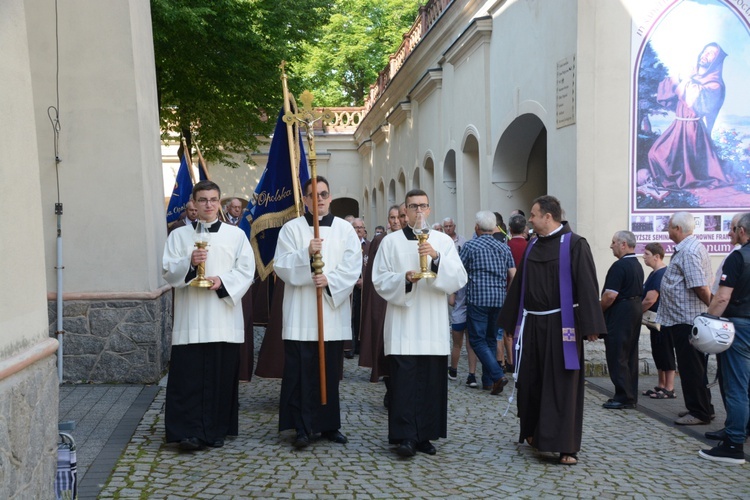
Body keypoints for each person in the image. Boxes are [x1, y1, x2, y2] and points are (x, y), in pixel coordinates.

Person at [498, 195, 605, 465]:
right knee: (531, 381)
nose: (529, 220)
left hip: (562, 324)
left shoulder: (575, 244)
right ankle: (534, 432)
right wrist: (509, 322)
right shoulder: (533, 245)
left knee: (561, 384)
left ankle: (565, 445)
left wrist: (591, 325)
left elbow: (587, 283)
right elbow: (519, 284)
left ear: (548, 217)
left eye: (533, 215)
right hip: (532, 323)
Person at [372, 189, 467, 457]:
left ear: (429, 209)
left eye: (422, 206)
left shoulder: (442, 241)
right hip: (403, 323)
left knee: (431, 381)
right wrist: (405, 279)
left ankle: (425, 435)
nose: (418, 212)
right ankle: (405, 437)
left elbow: (459, 278)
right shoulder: (391, 242)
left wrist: (436, 259)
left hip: (433, 323)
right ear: (405, 212)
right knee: (403, 383)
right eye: (412, 207)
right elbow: (379, 280)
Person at [162, 180, 255, 451]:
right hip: (191, 318)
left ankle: (216, 430)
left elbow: (246, 271)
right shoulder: (178, 236)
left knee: (220, 377)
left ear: (220, 201)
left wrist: (221, 282)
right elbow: (168, 271)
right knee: (187, 378)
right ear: (193, 202)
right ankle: (187, 432)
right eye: (202, 200)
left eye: (213, 199)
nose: (208, 205)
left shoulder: (236, 236)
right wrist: (188, 264)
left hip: (222, 318)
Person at [273, 176, 361, 449]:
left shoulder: (345, 229)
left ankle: (328, 425)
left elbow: (352, 265)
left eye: (323, 194)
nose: (319, 199)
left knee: (329, 371)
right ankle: (301, 426)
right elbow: (281, 266)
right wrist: (305, 254)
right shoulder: (291, 229)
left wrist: (330, 281)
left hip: (330, 314)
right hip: (301, 313)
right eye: (313, 195)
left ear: (330, 197)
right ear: (306, 200)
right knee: (299, 372)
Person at [699, 212, 750, 465]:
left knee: (735, 387)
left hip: (739, 325)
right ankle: (738, 429)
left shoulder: (738, 257)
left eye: (732, 229)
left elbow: (721, 297)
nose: (730, 233)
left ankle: (733, 444)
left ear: (742, 231)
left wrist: (705, 323)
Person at [656, 211, 713, 425]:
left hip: (687, 320)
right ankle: (704, 407)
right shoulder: (689, 248)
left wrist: (714, 312)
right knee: (695, 367)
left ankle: (699, 412)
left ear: (678, 229)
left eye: (669, 226)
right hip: (684, 318)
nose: (667, 230)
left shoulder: (688, 251)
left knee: (691, 368)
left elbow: (700, 285)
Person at [647, 42, 729, 190]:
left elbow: (692, 99)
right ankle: (665, 181)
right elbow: (670, 87)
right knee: (654, 153)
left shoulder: (715, 84)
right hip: (678, 125)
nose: (705, 54)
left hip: (693, 131)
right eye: (705, 51)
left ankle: (679, 185)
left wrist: (686, 79)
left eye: (711, 53)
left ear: (716, 60)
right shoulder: (692, 75)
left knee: (687, 169)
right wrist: (680, 76)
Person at [460, 210, 515, 394]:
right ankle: (489, 382)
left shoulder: (470, 246)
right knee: (491, 338)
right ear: (494, 228)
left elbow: (460, 272)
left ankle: (497, 375)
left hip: (478, 298)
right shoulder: (504, 247)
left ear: (477, 227)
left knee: (477, 340)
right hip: (499, 299)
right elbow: (513, 274)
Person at [600, 231, 644, 409]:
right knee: (630, 354)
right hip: (634, 309)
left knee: (617, 353)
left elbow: (610, 295)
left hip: (621, 311)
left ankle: (623, 396)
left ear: (623, 244)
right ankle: (629, 394)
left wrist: (598, 311)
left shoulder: (619, 266)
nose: (611, 246)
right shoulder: (637, 264)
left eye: (613, 242)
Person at [442, 217, 476, 386]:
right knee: (466, 343)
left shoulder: (463, 245)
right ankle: (467, 373)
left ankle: (459, 371)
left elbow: (452, 296)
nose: (448, 228)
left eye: (450, 226)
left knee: (461, 343)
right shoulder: (471, 273)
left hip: (461, 308)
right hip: (467, 307)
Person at [640, 242, 675, 400]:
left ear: (657, 256)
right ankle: (661, 385)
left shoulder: (661, 273)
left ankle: (669, 388)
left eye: (646, 254)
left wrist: (634, 313)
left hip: (664, 321)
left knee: (666, 353)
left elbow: (650, 299)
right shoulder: (654, 273)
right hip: (655, 322)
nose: (643, 257)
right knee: (658, 352)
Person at [347, 218, 369, 358]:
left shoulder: (369, 246)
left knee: (361, 317)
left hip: (363, 289)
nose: (359, 230)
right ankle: (349, 346)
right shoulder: (346, 245)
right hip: (349, 288)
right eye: (356, 227)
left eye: (361, 227)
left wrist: (364, 280)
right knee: (349, 316)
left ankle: (361, 346)